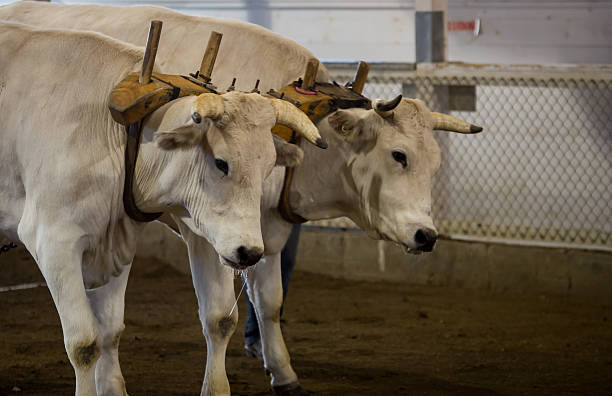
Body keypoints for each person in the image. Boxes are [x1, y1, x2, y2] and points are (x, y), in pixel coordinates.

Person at [244, 224, 301, 358]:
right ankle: (255, 333)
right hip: (260, 207)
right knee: (256, 262)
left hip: (288, 207)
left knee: (286, 261)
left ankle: (273, 330)